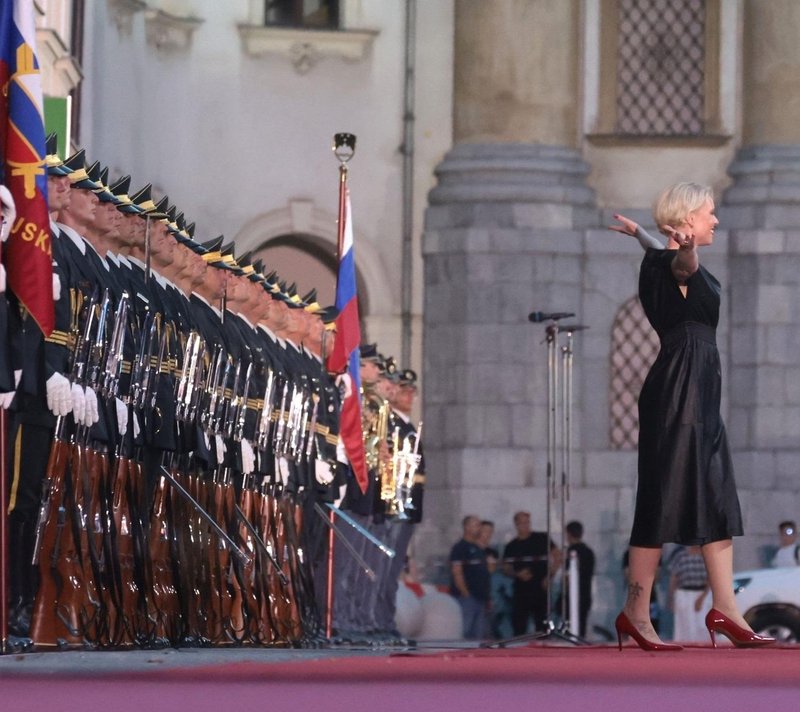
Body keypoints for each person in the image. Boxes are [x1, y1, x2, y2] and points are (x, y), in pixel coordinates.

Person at [610, 183, 775, 650]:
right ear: (686, 221)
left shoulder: (659, 259)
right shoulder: (676, 263)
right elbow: (679, 265)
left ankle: (726, 608)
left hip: (699, 392)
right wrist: (679, 248)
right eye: (709, 213)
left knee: (717, 493)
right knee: (662, 497)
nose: (716, 221)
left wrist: (644, 233)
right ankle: (636, 612)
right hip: (678, 392)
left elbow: (663, 257)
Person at [502, 510, 559, 635]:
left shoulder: (542, 538)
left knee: (542, 626)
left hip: (541, 589)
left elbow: (558, 556)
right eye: (521, 523)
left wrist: (549, 577)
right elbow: (505, 568)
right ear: (516, 525)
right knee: (519, 625)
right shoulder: (511, 546)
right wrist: (517, 574)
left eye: (527, 523)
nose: (525, 526)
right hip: (521, 591)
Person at [449, 514, 491, 640]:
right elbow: (457, 571)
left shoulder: (478, 548)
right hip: (467, 597)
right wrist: (465, 592)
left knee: (479, 633)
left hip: (480, 597)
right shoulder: (460, 548)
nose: (479, 528)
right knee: (466, 630)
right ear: (467, 527)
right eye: (476, 525)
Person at [668, 545, 709, 642]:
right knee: (683, 624)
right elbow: (674, 577)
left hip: (701, 593)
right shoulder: (680, 555)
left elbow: (710, 578)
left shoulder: (706, 555)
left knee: (701, 624)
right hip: (683, 593)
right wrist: (671, 598)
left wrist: (702, 597)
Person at [562, 520, 595, 638]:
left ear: (568, 534)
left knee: (570, 625)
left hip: (572, 595)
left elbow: (568, 576)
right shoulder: (589, 551)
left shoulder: (572, 552)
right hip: (586, 593)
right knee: (581, 627)